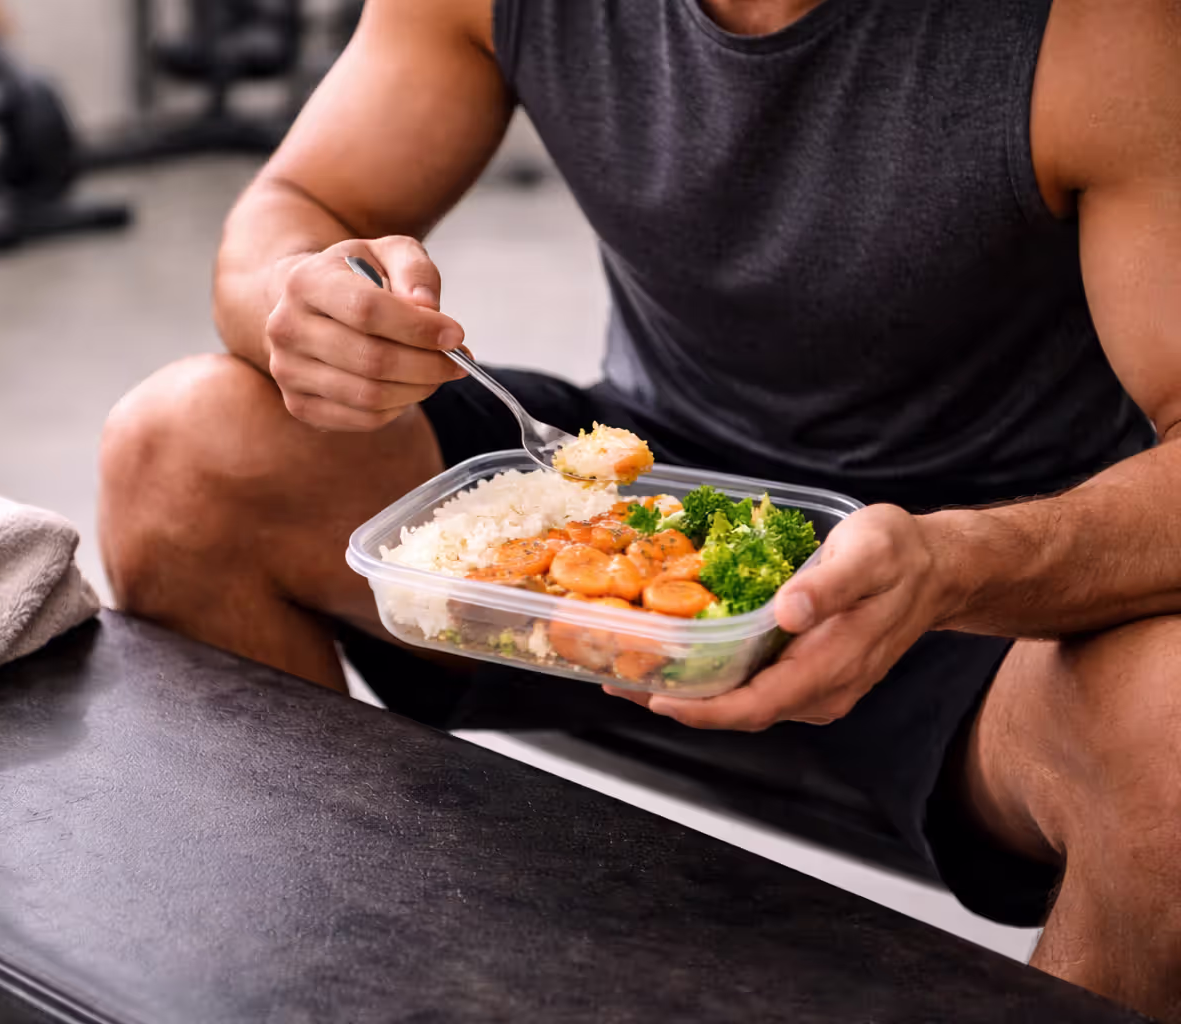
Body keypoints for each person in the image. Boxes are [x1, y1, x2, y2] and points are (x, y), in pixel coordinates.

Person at [96, 0, 1181, 1017]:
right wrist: (301, 298)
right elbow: (297, 211)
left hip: (978, 614)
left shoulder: (1099, 30)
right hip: (619, 529)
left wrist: (958, 565)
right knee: (180, 450)